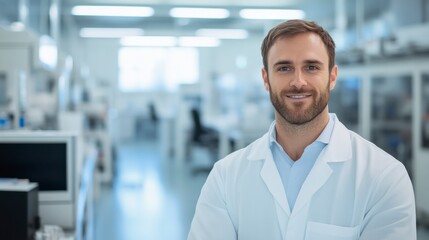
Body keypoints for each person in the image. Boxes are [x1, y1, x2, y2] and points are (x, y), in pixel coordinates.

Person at [188, 19, 416, 240]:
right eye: (284, 68)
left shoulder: (384, 177)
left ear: (332, 77)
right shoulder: (226, 177)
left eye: (311, 67)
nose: (298, 81)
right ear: (266, 79)